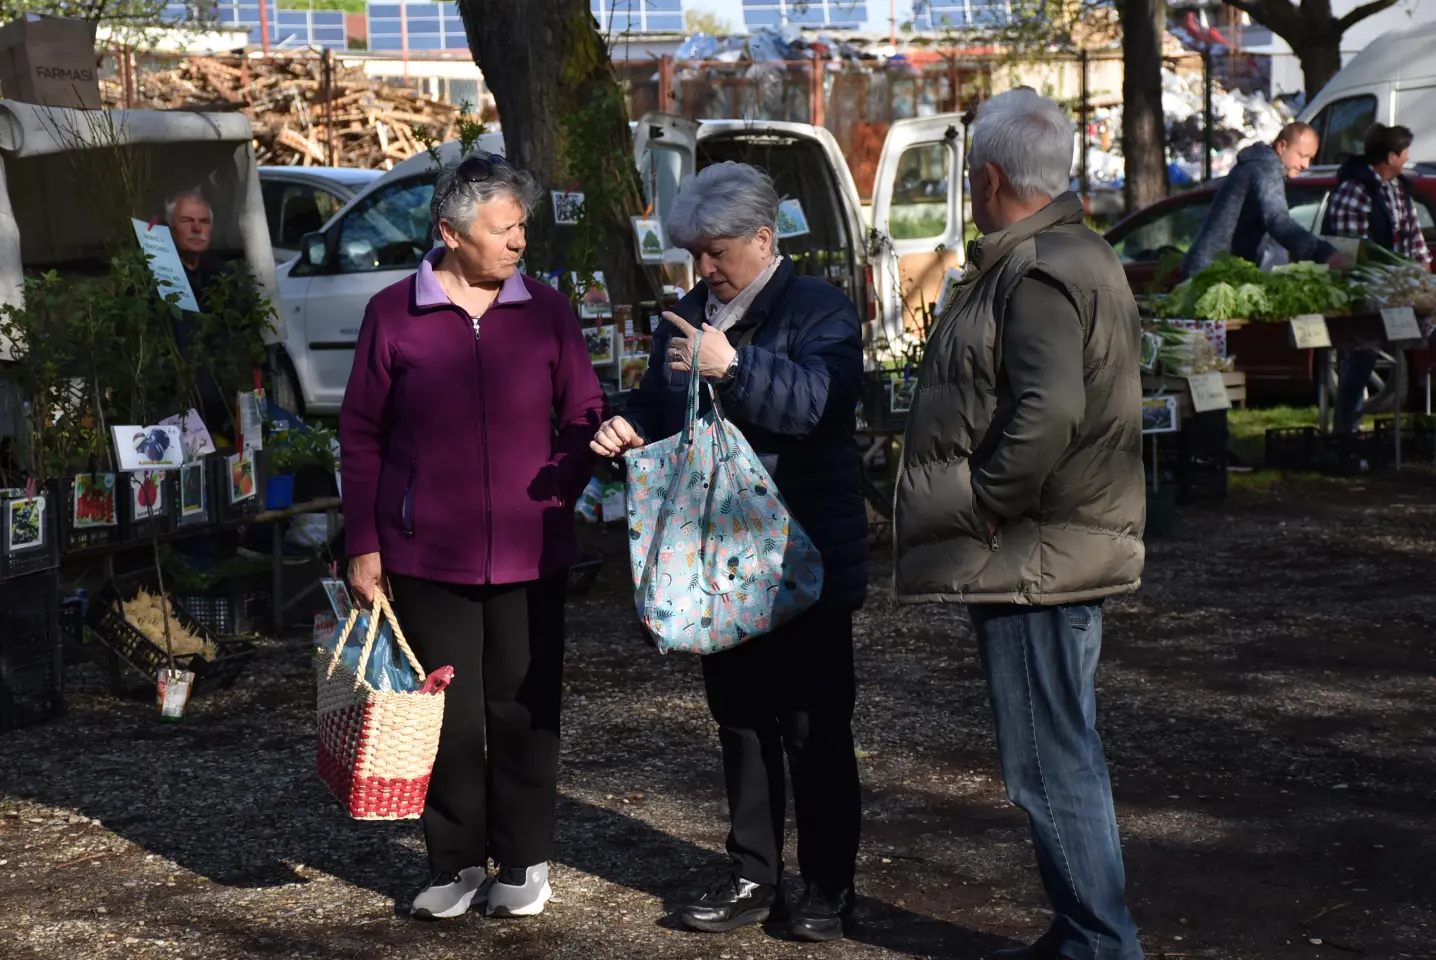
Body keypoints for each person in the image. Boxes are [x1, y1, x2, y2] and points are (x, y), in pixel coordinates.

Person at [892, 89, 1146, 960]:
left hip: (1034, 556)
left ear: (989, 177)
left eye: (970, 174)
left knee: (1048, 763)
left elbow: (1050, 408)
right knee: (1059, 754)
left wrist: (988, 502)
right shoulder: (1077, 253)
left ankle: (1099, 944)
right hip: (1051, 549)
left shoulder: (1036, 268)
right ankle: (1083, 933)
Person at [590, 162, 868, 943]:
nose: (704, 268)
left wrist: (736, 367)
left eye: (716, 251)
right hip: (713, 559)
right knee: (740, 719)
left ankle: (828, 885)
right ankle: (753, 873)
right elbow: (659, 405)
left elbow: (822, 407)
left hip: (801, 555)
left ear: (763, 239)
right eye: (694, 254)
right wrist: (631, 426)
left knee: (815, 726)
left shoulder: (820, 309)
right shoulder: (684, 315)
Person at [340, 154, 604, 921]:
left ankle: (523, 862)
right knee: (446, 720)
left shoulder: (548, 310)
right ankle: (453, 864)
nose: (519, 240)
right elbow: (360, 434)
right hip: (426, 553)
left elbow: (584, 411)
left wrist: (563, 484)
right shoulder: (393, 314)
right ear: (451, 233)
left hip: (533, 549)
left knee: (524, 709)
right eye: (503, 228)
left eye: (522, 225)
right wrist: (364, 542)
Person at [1322, 123, 1432, 433]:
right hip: (1366, 293)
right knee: (1361, 357)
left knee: (1376, 356)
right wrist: (1386, 277)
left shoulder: (1398, 188)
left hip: (1398, 291)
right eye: (1405, 152)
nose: (1408, 158)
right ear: (1391, 156)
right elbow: (1352, 248)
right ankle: (1345, 432)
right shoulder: (1355, 190)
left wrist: (1423, 272)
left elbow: (1413, 235)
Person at [1182, 122, 1353, 277]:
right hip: (1211, 274)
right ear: (1282, 146)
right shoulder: (1267, 168)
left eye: (1310, 158)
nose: (1306, 165)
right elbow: (1277, 220)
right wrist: (1324, 254)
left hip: (1213, 269)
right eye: (1302, 155)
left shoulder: (1255, 165)